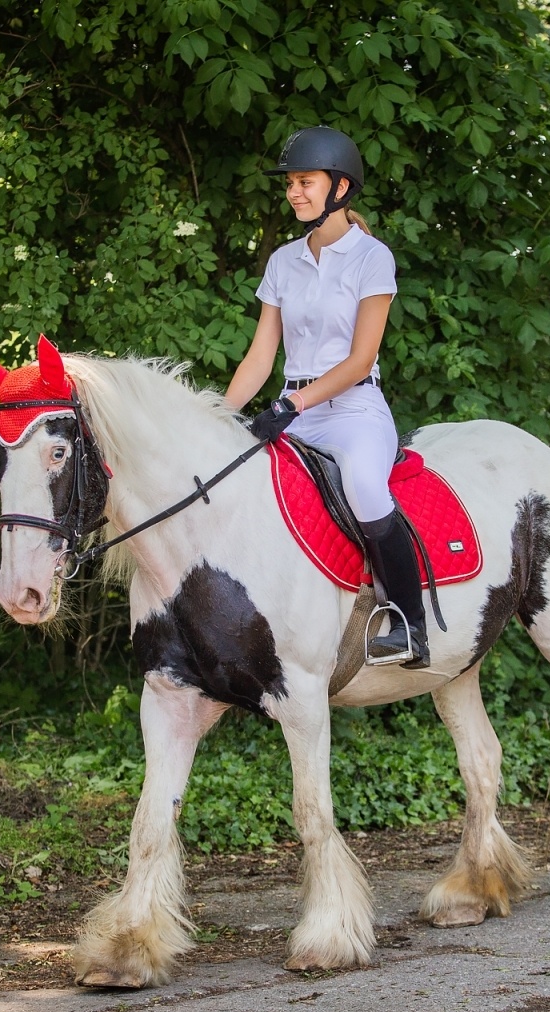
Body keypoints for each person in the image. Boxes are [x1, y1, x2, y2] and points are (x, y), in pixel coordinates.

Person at [226, 126, 430, 669]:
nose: (294, 193)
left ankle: (408, 622)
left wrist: (292, 405)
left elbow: (361, 359)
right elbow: (260, 358)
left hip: (354, 410)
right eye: (290, 183)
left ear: (339, 187)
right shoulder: (282, 262)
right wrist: (220, 417)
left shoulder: (372, 258)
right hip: (293, 412)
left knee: (364, 486)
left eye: (305, 182)